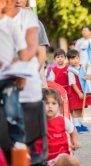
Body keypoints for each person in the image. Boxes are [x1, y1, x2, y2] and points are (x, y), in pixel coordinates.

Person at [0, 0, 30, 150]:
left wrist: (22, 76)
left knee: (13, 112)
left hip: (8, 78)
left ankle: (19, 144)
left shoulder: (11, 24)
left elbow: (23, 51)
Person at [37, 88, 80, 166]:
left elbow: (73, 131)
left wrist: (75, 142)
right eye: (46, 103)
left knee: (73, 161)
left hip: (59, 157)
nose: (50, 106)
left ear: (59, 106)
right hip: (41, 158)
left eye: (53, 103)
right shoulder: (36, 121)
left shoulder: (63, 120)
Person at [67, 49, 91, 133]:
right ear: (69, 60)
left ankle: (81, 124)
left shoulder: (82, 67)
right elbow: (73, 84)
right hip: (75, 92)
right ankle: (76, 126)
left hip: (83, 90)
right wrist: (79, 93)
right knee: (75, 109)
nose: (75, 60)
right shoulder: (71, 71)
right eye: (72, 59)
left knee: (81, 108)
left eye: (77, 58)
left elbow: (84, 78)